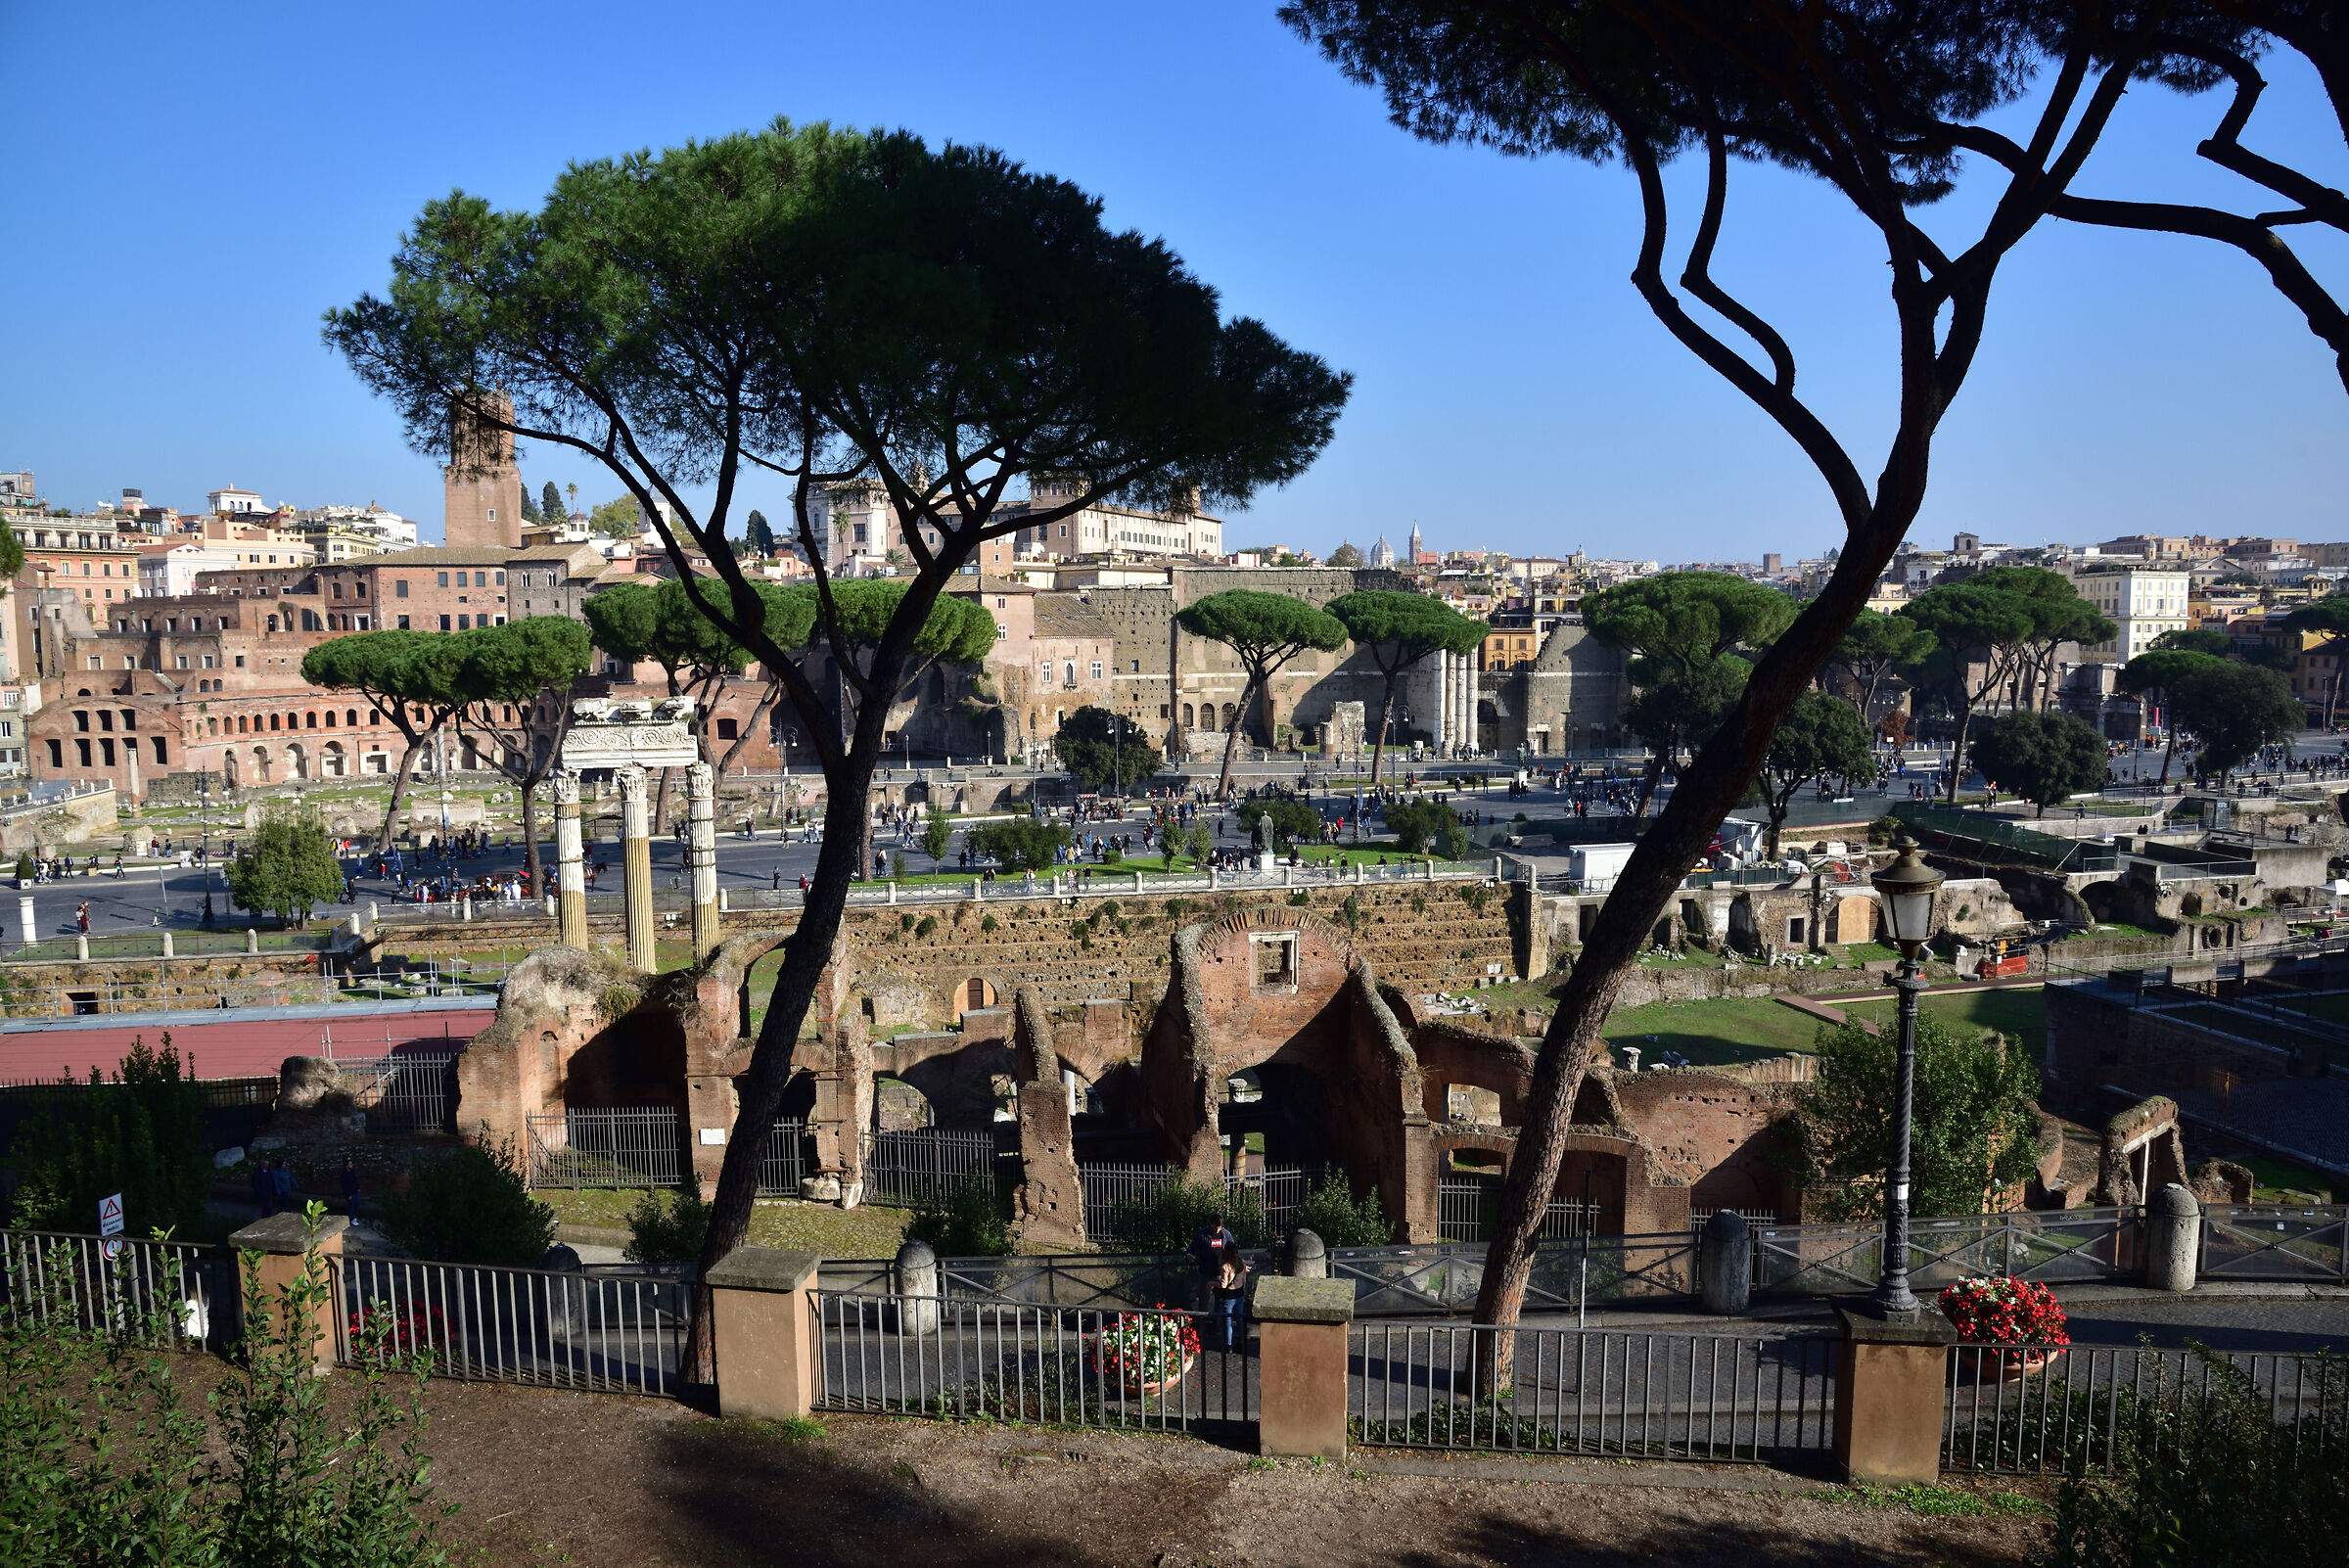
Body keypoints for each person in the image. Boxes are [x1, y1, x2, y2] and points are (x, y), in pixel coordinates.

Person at [1187, 1212, 1238, 1313]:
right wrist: (1189, 1255)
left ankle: (1218, 1323)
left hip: (1220, 1274)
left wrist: (1237, 1264)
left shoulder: (1226, 1234)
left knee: (1220, 1302)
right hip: (1205, 1274)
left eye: (1219, 1228)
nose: (1217, 1230)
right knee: (1203, 1301)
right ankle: (1202, 1322)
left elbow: (1233, 1251)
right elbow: (1192, 1248)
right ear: (1210, 1224)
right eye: (1215, 1228)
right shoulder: (1201, 1235)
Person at [1210, 1253, 1251, 1353]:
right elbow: (1243, 1279)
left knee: (1228, 1320)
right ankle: (1242, 1343)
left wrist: (1211, 1283)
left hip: (1229, 1295)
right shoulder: (1241, 1263)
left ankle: (1228, 1345)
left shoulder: (1226, 1267)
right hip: (1239, 1293)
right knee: (1240, 1319)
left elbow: (1223, 1285)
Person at [341, 1157, 362, 1223]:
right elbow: (344, 1186)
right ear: (346, 1166)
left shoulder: (352, 1172)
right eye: (350, 1164)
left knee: (357, 1204)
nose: (351, 1165)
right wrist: (348, 1195)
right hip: (350, 1193)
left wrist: (358, 1188)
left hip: (355, 1191)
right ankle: (351, 1219)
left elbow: (355, 1180)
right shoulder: (344, 1175)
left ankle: (352, 1216)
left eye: (351, 1164)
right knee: (351, 1206)